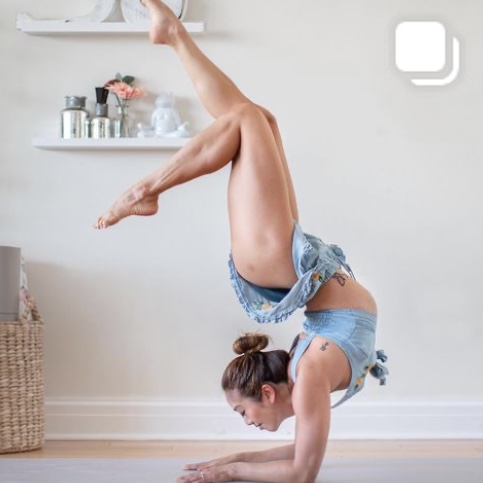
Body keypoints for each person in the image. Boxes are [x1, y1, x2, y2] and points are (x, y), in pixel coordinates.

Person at [95, 1, 388, 482]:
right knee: (261, 121)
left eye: (241, 413)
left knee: (249, 120)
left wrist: (229, 471)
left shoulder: (306, 376)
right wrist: (230, 463)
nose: (246, 422)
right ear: (268, 393)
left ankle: (147, 178)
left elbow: (299, 468)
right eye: (241, 413)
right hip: (287, 260)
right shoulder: (308, 378)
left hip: (280, 262)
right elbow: (302, 468)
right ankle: (172, 40)